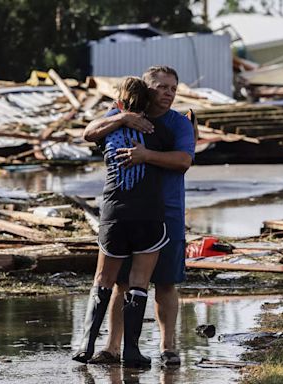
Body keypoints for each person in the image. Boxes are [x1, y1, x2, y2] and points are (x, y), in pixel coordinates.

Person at [82, 66, 196, 366]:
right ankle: (112, 347)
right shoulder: (121, 115)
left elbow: (184, 160)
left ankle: (168, 347)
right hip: (126, 212)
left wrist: (147, 156)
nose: (168, 93)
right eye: (161, 87)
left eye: (173, 88)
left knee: (166, 282)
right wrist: (121, 117)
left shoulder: (178, 125)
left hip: (167, 211)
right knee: (121, 282)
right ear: (147, 90)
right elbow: (89, 132)